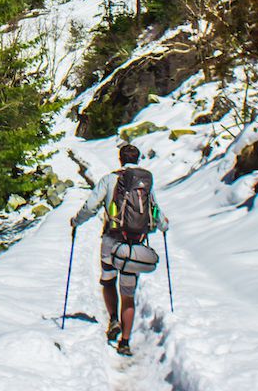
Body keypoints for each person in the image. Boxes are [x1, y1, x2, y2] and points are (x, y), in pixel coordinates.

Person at [69, 143, 167, 356]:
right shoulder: (144, 182)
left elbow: (91, 206)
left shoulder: (109, 179)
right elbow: (155, 209)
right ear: (138, 159)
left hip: (111, 241)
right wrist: (164, 226)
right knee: (128, 293)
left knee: (108, 280)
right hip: (135, 242)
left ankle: (113, 319)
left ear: (120, 159)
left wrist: (76, 221)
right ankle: (125, 341)